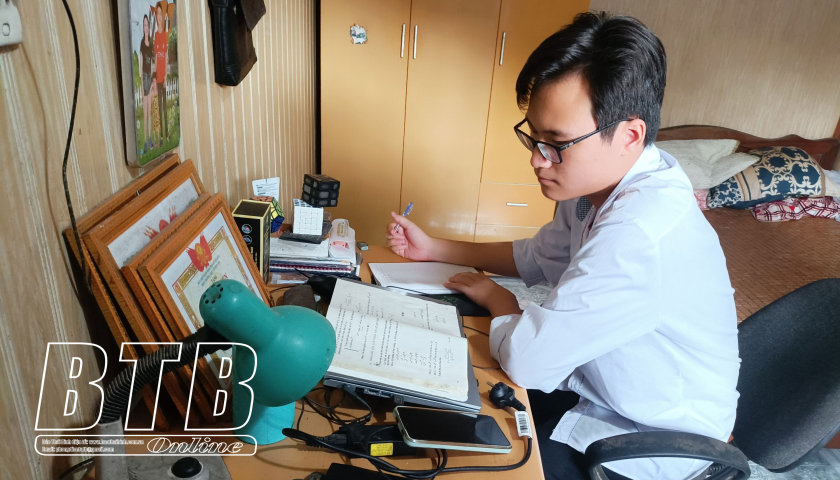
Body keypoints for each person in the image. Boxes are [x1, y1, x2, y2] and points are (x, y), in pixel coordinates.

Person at [385, 12, 739, 480]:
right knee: (446, 401)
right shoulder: (597, 187)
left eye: (556, 143)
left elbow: (529, 362)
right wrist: (434, 248)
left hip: (654, 437)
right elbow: (535, 257)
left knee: (474, 464)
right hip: (602, 387)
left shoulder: (640, 232)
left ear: (629, 136)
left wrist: (499, 299)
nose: (537, 159)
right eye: (533, 136)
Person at [154, 3, 169, 146]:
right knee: (159, 106)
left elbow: (165, 56)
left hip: (163, 77)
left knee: (164, 106)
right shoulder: (155, 36)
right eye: (157, 14)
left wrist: (164, 76)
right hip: (157, 77)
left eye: (160, 14)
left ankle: (167, 134)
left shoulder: (163, 35)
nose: (159, 16)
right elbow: (155, 56)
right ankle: (162, 137)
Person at [139, 14, 154, 153]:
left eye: (147, 25)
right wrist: (142, 84)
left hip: (150, 77)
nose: (146, 27)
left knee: (149, 112)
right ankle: (144, 142)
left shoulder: (151, 44)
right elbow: (141, 63)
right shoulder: (142, 44)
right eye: (144, 25)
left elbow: (153, 62)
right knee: (145, 112)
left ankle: (149, 139)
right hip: (144, 77)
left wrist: (153, 82)